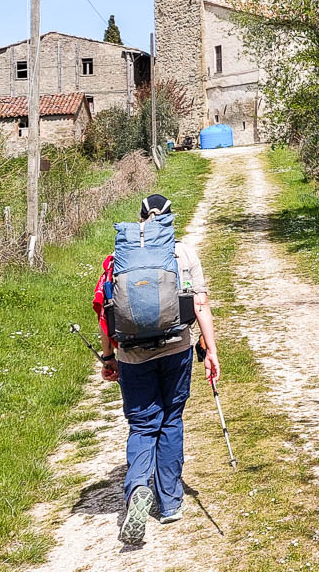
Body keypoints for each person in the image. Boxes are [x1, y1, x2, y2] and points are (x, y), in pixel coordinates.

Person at [91, 193, 219, 544]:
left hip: (133, 356)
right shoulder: (184, 253)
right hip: (176, 347)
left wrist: (109, 358)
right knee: (171, 419)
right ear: (169, 219)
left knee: (143, 423)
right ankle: (170, 502)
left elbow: (105, 313)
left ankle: (136, 491)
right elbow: (201, 303)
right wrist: (210, 349)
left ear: (140, 218)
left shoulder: (118, 258)